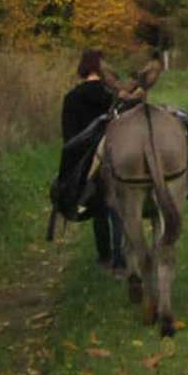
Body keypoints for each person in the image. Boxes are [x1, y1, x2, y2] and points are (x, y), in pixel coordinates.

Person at [60, 48, 126, 274]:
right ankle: (120, 260)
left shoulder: (71, 98)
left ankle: (104, 256)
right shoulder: (113, 97)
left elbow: (69, 139)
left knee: (98, 209)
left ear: (82, 68)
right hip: (116, 156)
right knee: (118, 208)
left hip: (88, 162)